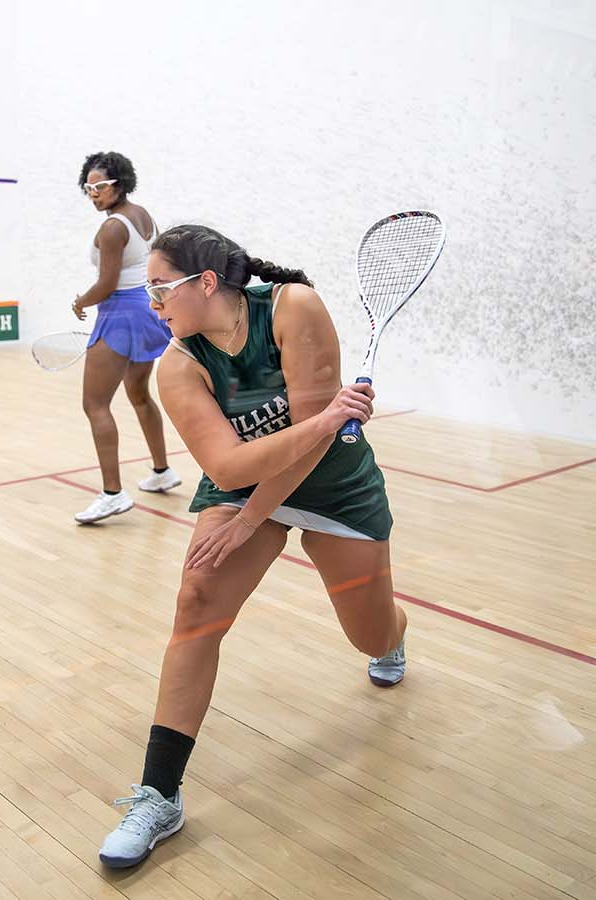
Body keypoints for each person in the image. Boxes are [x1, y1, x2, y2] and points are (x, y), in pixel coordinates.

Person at [97, 224, 408, 868]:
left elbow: (318, 442)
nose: (152, 304)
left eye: (159, 289)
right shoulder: (178, 365)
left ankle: (394, 633)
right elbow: (230, 467)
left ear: (205, 283)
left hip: (337, 491)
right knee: (197, 600)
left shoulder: (294, 306)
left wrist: (248, 519)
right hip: (246, 488)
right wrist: (243, 516)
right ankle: (159, 795)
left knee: (370, 638)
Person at [70, 152, 180, 524]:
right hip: (147, 310)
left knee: (95, 404)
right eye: (88, 188)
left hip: (120, 315)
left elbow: (106, 285)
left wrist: (80, 302)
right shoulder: (142, 215)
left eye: (99, 186)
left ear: (119, 183)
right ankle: (163, 470)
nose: (93, 194)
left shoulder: (112, 228)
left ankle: (112, 494)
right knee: (137, 392)